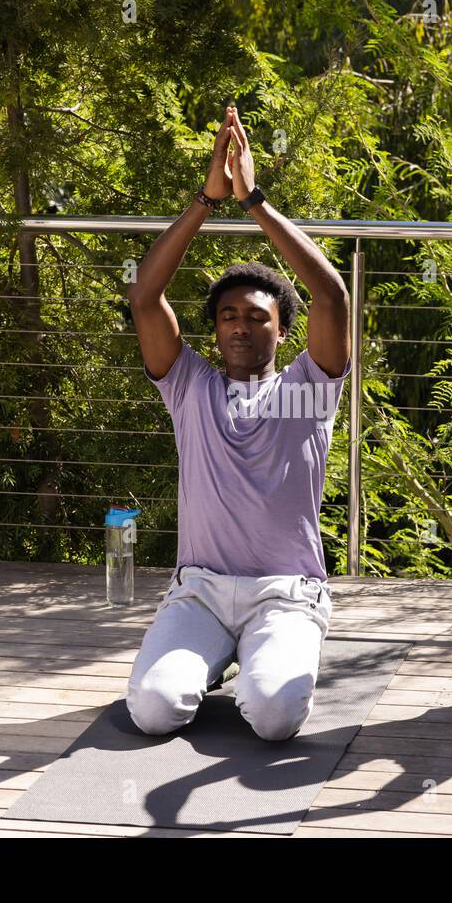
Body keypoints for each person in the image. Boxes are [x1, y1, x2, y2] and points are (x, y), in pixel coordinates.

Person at [124, 105, 352, 741]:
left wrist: (252, 201)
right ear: (214, 328)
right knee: (152, 710)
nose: (241, 326)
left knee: (276, 720)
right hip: (199, 593)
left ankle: (263, 657)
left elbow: (331, 295)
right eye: (228, 316)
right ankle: (219, 656)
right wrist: (205, 199)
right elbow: (145, 294)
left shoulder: (311, 387)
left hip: (286, 594)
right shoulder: (189, 385)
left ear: (283, 329)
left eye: (257, 316)